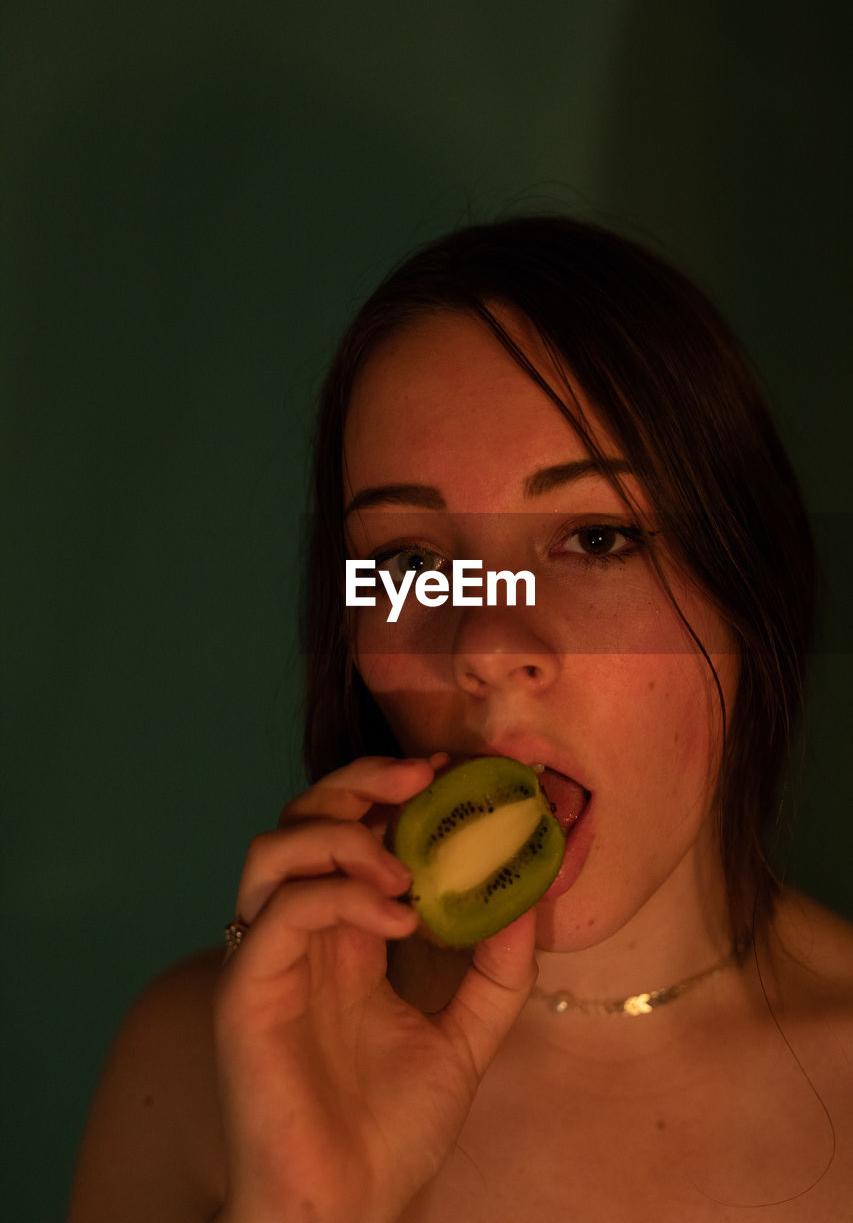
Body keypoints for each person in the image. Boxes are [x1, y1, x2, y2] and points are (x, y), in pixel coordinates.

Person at [68, 216, 853, 1222]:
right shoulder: (198, 1065)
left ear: (752, 590)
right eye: (405, 563)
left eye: (597, 537)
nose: (483, 640)